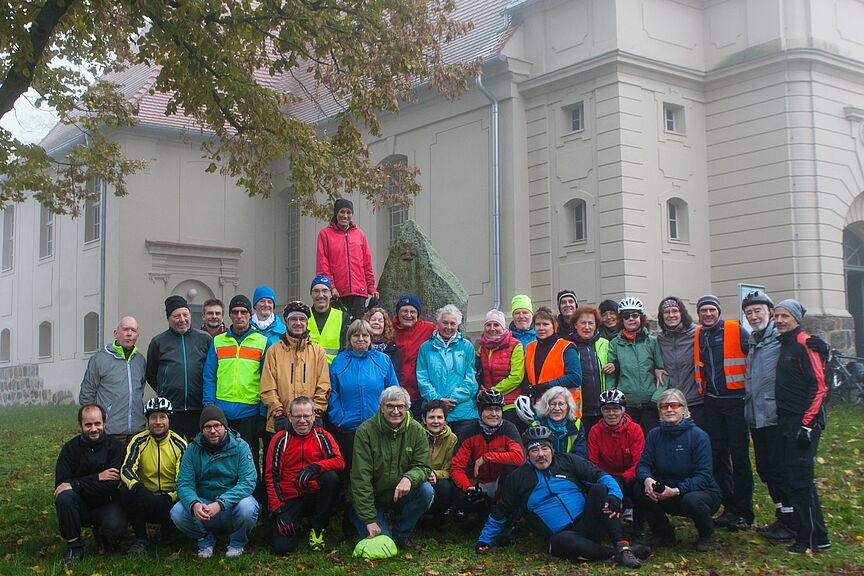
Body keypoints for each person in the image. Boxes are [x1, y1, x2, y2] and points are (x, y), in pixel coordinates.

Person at [475, 426, 645, 569]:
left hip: (588, 522)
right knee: (561, 540)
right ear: (527, 454)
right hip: (563, 536)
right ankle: (622, 552)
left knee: (600, 489)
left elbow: (601, 475)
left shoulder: (567, 460)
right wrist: (485, 540)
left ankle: (620, 544)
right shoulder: (517, 478)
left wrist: (615, 495)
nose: (540, 454)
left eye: (544, 448)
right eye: (534, 450)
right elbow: (502, 511)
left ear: (552, 449)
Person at [772, 299, 830, 554]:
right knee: (796, 478)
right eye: (777, 316)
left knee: (800, 480)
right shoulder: (784, 343)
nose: (780, 320)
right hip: (785, 419)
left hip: (803, 420)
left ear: (796, 318)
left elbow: (819, 386)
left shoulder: (805, 343)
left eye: (785, 316)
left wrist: (807, 425)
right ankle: (819, 535)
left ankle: (807, 539)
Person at [693, 294, 753, 531]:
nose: (708, 314)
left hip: (736, 401)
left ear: (718, 311)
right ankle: (728, 507)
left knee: (739, 457)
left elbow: (758, 349)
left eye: (711, 310)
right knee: (718, 456)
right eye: (703, 310)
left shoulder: (735, 330)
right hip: (712, 402)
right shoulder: (698, 334)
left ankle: (744, 511)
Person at [634, 389, 721, 552]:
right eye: (664, 406)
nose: (669, 410)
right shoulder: (654, 435)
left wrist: (676, 490)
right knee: (639, 489)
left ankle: (706, 534)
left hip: (699, 492)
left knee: (692, 500)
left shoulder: (699, 436)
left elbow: (704, 476)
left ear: (684, 409)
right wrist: (647, 479)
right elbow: (643, 464)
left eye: (674, 405)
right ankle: (664, 534)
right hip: (666, 489)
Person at [349, 387, 433, 551]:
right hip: (373, 499)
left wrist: (409, 478)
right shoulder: (365, 432)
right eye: (390, 406)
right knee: (383, 543)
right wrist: (369, 519)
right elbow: (360, 479)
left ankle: (402, 532)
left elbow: (423, 466)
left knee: (426, 491)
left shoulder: (417, 430)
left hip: (399, 495)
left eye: (400, 406)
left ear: (407, 408)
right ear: (381, 407)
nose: (396, 411)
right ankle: (358, 516)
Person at [171, 405, 259, 558]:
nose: (212, 431)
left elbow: (248, 481)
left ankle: (237, 543)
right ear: (201, 429)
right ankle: (205, 540)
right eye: (207, 427)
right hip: (203, 505)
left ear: (225, 427)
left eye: (217, 425)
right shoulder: (192, 449)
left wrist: (220, 503)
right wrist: (194, 504)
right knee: (177, 512)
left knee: (248, 508)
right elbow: (184, 483)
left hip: (231, 505)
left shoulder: (241, 447)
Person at [203, 294, 269, 495]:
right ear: (229, 315)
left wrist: (262, 412)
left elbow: (266, 379)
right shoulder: (217, 342)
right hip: (222, 413)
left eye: (243, 312)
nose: (239, 316)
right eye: (235, 312)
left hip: (249, 412)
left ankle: (254, 499)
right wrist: (209, 407)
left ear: (250, 315)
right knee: (222, 458)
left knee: (248, 459)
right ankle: (222, 497)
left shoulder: (262, 342)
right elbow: (209, 376)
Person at [740, 290, 791, 542]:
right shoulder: (753, 340)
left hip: (775, 417)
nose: (753, 315)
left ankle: (790, 522)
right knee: (766, 470)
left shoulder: (781, 338)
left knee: (781, 471)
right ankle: (782, 517)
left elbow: (803, 349)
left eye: (758, 310)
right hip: (756, 418)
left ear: (769, 312)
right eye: (749, 312)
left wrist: (820, 346)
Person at [264, 397, 344, 554]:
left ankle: (317, 526)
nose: (302, 420)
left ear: (314, 416)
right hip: (289, 497)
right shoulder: (280, 439)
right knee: (283, 548)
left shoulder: (322, 436)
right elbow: (270, 478)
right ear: (290, 417)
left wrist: (314, 468)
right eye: (298, 416)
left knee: (331, 478)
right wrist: (278, 511)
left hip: (314, 493)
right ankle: (295, 522)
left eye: (306, 416)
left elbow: (339, 461)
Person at [54, 404, 127, 562]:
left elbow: (111, 484)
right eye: (88, 425)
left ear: (104, 424)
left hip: (107, 503)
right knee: (65, 497)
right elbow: (61, 486)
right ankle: (74, 546)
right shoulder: (69, 449)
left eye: (97, 424)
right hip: (80, 505)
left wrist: (75, 485)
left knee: (116, 528)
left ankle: (102, 534)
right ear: (80, 425)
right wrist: (98, 478)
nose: (94, 429)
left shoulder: (116, 447)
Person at [327, 319, 399, 469]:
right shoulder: (339, 362)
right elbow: (333, 393)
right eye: (356, 335)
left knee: (377, 470)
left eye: (365, 335)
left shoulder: (383, 360)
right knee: (350, 472)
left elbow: (393, 392)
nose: (361, 339)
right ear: (349, 339)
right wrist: (339, 417)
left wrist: (387, 417)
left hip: (378, 427)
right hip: (348, 429)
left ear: (371, 338)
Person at [121, 397, 187, 554]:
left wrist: (170, 497)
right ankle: (140, 539)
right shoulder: (139, 441)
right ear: (147, 420)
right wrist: (138, 488)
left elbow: (184, 479)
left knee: (185, 496)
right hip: (145, 495)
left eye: (162, 417)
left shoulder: (180, 444)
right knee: (125, 490)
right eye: (153, 417)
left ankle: (168, 532)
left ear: (169, 419)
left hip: (169, 499)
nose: (158, 422)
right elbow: (126, 468)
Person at [146, 296, 213, 440]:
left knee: (197, 450)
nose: (182, 319)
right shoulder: (158, 342)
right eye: (177, 316)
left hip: (198, 408)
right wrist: (164, 389)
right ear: (169, 319)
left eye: (185, 315)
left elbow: (212, 370)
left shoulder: (205, 339)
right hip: (171, 409)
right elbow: (151, 373)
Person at [260, 301, 330, 435]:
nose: (298, 323)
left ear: (307, 322)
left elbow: (324, 386)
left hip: (309, 421)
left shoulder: (318, 352)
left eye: (302, 319)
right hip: (280, 421)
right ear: (286, 322)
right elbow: (267, 387)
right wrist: (278, 413)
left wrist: (315, 412)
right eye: (293, 319)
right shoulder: (273, 351)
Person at [450, 390, 524, 510]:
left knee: (513, 470)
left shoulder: (509, 428)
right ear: (480, 411)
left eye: (497, 409)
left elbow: (520, 458)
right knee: (456, 492)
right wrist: (468, 487)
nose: (494, 414)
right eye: (489, 409)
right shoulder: (468, 431)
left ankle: (505, 510)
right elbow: (457, 468)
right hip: (476, 482)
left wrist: (487, 457)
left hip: (500, 482)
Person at [79, 316, 147, 442]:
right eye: (125, 329)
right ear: (116, 333)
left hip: (137, 433)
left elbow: (140, 390)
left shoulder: (140, 361)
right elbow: (87, 394)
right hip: (110, 432)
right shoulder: (99, 359)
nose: (129, 334)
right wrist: (93, 424)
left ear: (137, 335)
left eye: (133, 330)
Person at [417, 304, 479, 439]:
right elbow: (422, 378)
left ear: (458, 325)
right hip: (434, 413)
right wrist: (438, 401)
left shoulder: (467, 347)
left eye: (453, 323)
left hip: (462, 412)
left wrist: (453, 399)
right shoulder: (426, 348)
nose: (449, 327)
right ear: (438, 323)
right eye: (445, 322)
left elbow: (470, 378)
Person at [588, 390, 645, 536]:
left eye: (615, 409)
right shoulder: (595, 431)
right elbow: (593, 462)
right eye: (606, 409)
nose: (611, 413)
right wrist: (605, 478)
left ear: (623, 410)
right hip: (605, 476)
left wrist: (624, 477)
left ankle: (639, 523)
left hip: (629, 476)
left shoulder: (635, 430)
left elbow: (639, 461)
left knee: (640, 487)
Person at [605, 298, 665, 435]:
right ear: (622, 320)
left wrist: (656, 399)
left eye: (635, 315)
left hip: (650, 404)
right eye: (626, 316)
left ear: (641, 318)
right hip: (627, 405)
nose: (631, 319)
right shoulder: (615, 344)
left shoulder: (652, 342)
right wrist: (614, 401)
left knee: (650, 443)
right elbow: (611, 376)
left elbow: (663, 372)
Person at [316, 198, 378, 321]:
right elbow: (323, 265)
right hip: (337, 293)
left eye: (349, 213)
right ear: (336, 213)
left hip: (358, 292)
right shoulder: (325, 234)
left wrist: (371, 286)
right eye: (342, 212)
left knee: (358, 329)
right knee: (339, 328)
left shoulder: (360, 235)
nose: (345, 216)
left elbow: (366, 263)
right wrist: (331, 287)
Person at [656, 296, 703, 428]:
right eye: (666, 312)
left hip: (695, 400)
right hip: (671, 403)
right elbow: (654, 360)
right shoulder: (660, 339)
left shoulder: (697, 333)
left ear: (682, 313)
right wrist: (656, 368)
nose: (671, 315)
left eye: (675, 311)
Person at [523, 307, 582, 410]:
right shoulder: (530, 347)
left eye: (545, 324)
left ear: (554, 326)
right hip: (540, 408)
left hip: (564, 409)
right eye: (537, 324)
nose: (541, 328)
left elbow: (575, 378)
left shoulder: (566, 347)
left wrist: (546, 386)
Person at [476, 308, 525, 430]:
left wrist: (493, 391)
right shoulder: (482, 346)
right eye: (488, 325)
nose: (492, 328)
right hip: (487, 401)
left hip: (509, 400)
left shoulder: (515, 345)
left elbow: (516, 377)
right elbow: (478, 371)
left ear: (503, 327)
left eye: (496, 324)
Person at [392, 294, 436, 419]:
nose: (408, 315)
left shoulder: (428, 328)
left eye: (412, 311)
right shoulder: (389, 328)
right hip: (397, 390)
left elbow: (447, 331)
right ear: (397, 313)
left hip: (419, 392)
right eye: (404, 311)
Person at [569, 306, 610, 433]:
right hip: (578, 409)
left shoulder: (605, 343)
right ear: (575, 325)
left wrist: (615, 365)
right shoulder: (567, 345)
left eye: (591, 323)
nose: (587, 327)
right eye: (583, 323)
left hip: (602, 408)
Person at [422, 400, 458, 523]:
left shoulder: (452, 439)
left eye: (439, 417)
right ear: (425, 420)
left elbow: (450, 469)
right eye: (431, 417)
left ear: (445, 420)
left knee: (446, 487)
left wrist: (435, 474)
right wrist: (423, 473)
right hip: (418, 475)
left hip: (438, 478)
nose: (436, 421)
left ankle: (436, 518)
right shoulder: (416, 434)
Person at [532, 386, 586, 458]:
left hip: (571, 466)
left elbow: (581, 454)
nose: (557, 408)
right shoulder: (536, 426)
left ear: (568, 407)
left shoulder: (576, 425)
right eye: (553, 404)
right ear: (546, 406)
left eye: (561, 404)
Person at [308, 274, 350, 363]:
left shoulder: (343, 317)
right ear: (311, 294)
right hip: (307, 370)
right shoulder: (303, 317)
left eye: (325, 291)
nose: (321, 295)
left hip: (333, 371)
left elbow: (345, 349)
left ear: (331, 294)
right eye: (316, 291)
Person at [364, 306, 402, 381]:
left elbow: (396, 373)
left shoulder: (392, 348)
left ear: (385, 325)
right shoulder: (360, 345)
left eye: (380, 321)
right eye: (373, 320)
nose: (376, 322)